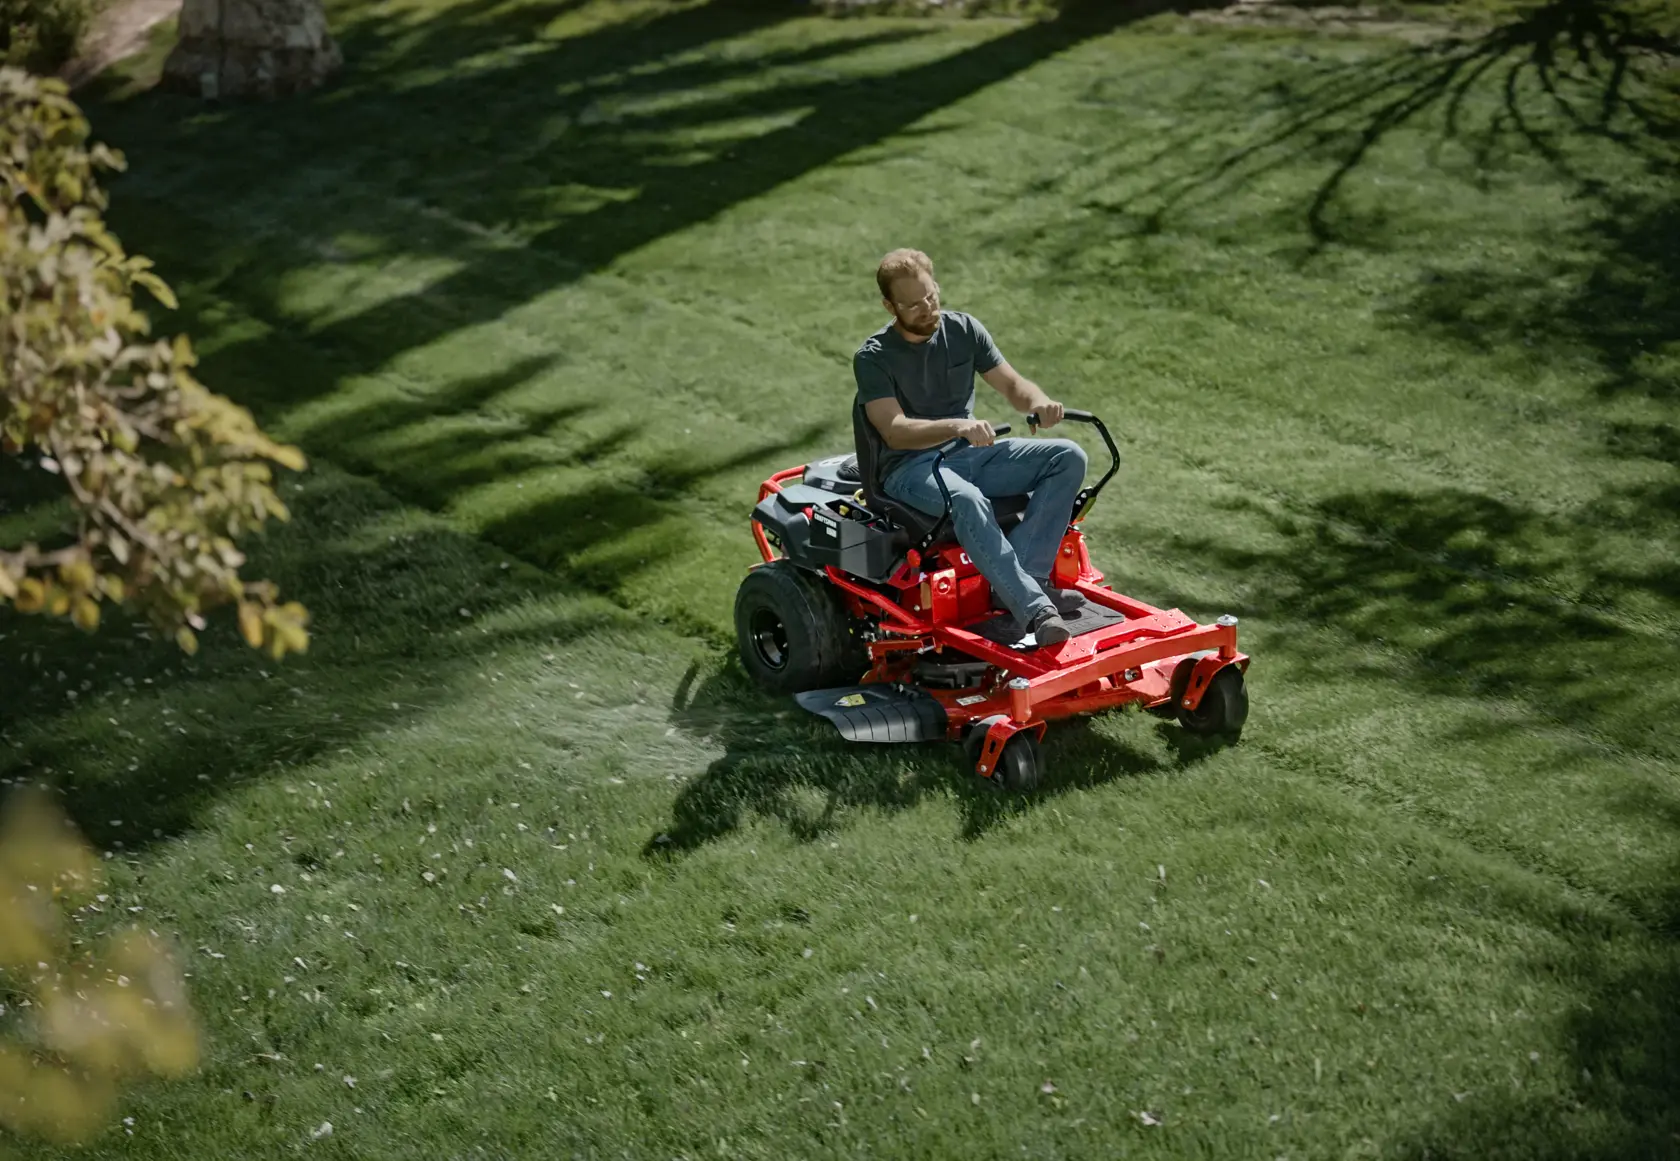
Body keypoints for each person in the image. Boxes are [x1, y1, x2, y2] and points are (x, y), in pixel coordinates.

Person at [854, 248, 1088, 646]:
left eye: (931, 296)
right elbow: (894, 431)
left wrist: (1039, 402)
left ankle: (1024, 582)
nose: (927, 309)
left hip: (967, 454)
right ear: (889, 306)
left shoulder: (963, 330)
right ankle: (1035, 608)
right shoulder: (873, 357)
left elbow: (1012, 385)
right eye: (913, 305)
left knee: (1068, 458)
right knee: (967, 499)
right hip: (909, 469)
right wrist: (958, 426)